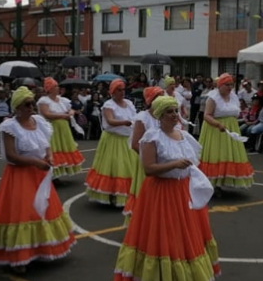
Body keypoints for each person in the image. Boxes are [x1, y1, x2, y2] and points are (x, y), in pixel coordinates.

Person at [113, 96, 221, 281]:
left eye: (175, 111)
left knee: (184, 235)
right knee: (164, 234)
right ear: (160, 116)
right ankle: (161, 273)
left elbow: (192, 164)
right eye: (169, 112)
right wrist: (174, 165)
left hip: (183, 191)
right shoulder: (151, 137)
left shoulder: (184, 135)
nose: (174, 115)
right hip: (161, 193)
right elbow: (148, 169)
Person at [0, 86, 76, 273]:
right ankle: (20, 256)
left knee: (42, 211)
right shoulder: (9, 127)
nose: (31, 107)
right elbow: (10, 155)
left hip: (39, 174)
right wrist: (33, 161)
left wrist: (48, 156)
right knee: (23, 213)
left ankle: (39, 249)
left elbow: (47, 145)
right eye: (27, 104)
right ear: (17, 107)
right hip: (20, 176)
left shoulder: (39, 122)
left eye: (32, 103)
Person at [85, 79, 138, 206]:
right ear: (113, 92)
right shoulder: (109, 105)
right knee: (114, 166)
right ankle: (111, 193)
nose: (122, 92)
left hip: (127, 138)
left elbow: (135, 117)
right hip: (113, 139)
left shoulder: (129, 103)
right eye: (119, 90)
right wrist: (124, 122)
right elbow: (110, 121)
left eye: (123, 89)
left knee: (128, 167)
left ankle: (128, 193)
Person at [199, 73, 254, 193]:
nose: (229, 87)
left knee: (228, 155)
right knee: (217, 155)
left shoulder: (233, 97)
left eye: (231, 85)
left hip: (231, 129)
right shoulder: (213, 98)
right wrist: (218, 124)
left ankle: (223, 180)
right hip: (216, 130)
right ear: (220, 86)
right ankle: (214, 184)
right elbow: (206, 116)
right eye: (227, 85)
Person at [123, 86, 164, 223]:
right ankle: (144, 223)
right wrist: (151, 159)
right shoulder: (142, 118)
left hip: (164, 162)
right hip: (147, 162)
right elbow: (135, 144)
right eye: (159, 97)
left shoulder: (165, 115)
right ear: (151, 101)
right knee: (147, 191)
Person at [37, 77, 85, 180]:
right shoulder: (44, 101)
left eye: (57, 86)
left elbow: (71, 109)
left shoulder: (63, 100)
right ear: (49, 88)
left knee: (62, 149)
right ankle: (51, 175)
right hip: (51, 128)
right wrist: (62, 116)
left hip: (63, 129)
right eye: (55, 86)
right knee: (53, 149)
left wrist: (70, 113)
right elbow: (46, 114)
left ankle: (57, 175)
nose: (58, 88)